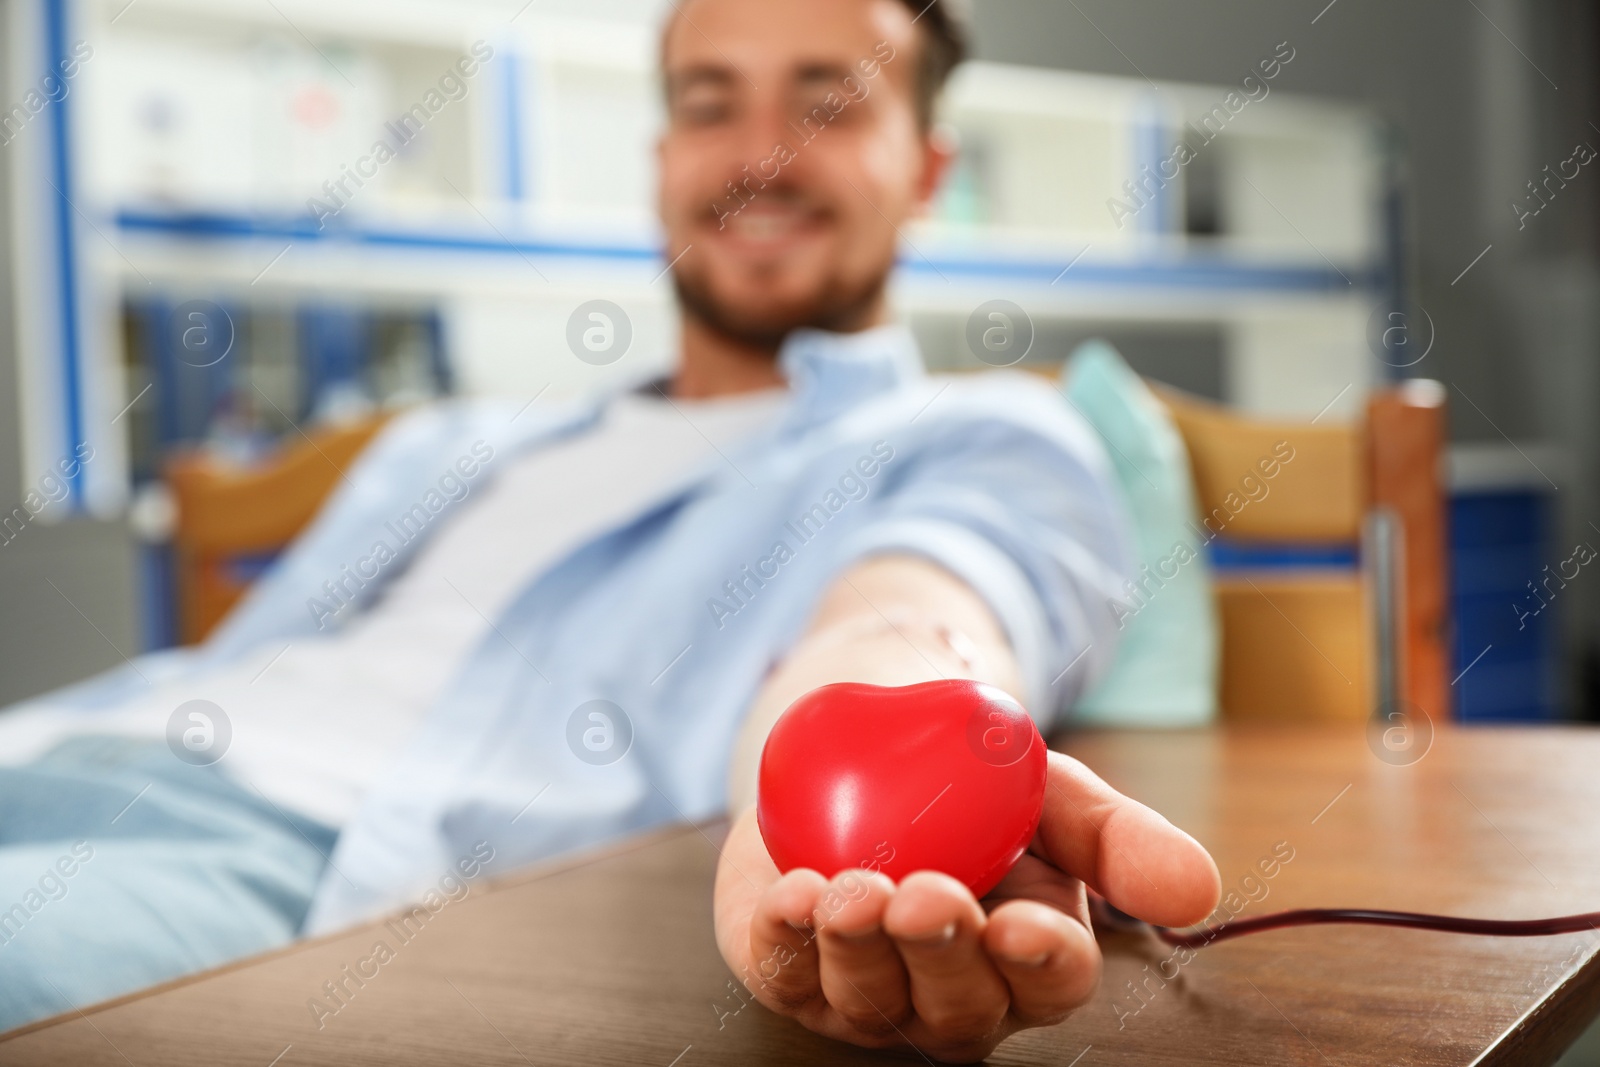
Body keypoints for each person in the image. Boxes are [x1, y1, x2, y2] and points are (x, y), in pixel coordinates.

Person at [0, 0, 1219, 1055]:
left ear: (927, 170)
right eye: (710, 103)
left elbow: (914, 612)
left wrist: (875, 745)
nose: (762, 155)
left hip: (288, 864)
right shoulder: (448, 442)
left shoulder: (984, 431)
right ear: (660, 155)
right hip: (61, 746)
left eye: (829, 105)